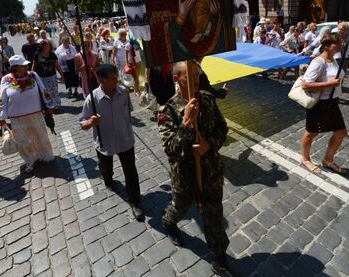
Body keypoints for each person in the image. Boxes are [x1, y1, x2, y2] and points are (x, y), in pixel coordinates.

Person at [158, 61, 230, 276]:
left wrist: (209, 144)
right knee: (180, 206)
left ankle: (219, 256)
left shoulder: (207, 99)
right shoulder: (168, 110)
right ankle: (168, 222)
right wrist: (187, 122)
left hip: (210, 171)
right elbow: (171, 150)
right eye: (190, 77)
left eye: (198, 76)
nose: (196, 81)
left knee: (213, 213)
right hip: (185, 176)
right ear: (176, 79)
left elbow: (222, 128)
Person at [79, 64, 144, 221]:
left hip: (125, 139)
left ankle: (134, 202)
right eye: (113, 78)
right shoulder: (92, 98)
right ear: (101, 80)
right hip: (104, 142)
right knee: (106, 169)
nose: (117, 80)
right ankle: (108, 180)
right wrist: (90, 122)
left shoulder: (123, 93)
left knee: (131, 172)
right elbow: (83, 124)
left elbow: (128, 113)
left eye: (117, 76)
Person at [0, 55, 56, 173]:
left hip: (35, 113)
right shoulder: (5, 79)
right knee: (22, 140)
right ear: (15, 67)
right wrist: (1, 116)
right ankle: (30, 159)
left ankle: (45, 155)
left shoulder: (33, 75)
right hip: (16, 117)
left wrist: (49, 105)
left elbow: (43, 90)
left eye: (25, 64)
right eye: (22, 65)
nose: (26, 66)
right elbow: (2, 98)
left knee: (40, 135)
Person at [300, 33, 347, 174]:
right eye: (336, 44)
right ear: (326, 45)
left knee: (341, 133)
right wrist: (329, 83)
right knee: (311, 133)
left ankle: (328, 160)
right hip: (320, 104)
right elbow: (305, 85)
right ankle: (305, 158)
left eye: (341, 43)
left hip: (333, 103)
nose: (340, 46)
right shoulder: (318, 62)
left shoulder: (333, 60)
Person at [32, 39, 64, 108]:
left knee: (54, 90)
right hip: (42, 77)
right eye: (46, 45)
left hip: (52, 76)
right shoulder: (37, 54)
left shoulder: (52, 54)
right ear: (42, 46)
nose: (48, 46)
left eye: (49, 45)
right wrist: (32, 75)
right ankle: (48, 105)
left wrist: (62, 74)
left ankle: (56, 105)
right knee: (45, 91)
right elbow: (34, 66)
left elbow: (57, 65)